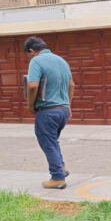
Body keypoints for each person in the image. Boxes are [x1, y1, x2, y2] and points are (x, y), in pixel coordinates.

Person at [24, 36, 75, 189]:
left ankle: (57, 177)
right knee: (52, 141)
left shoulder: (36, 61)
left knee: (47, 142)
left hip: (47, 111)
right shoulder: (62, 61)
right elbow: (72, 85)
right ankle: (62, 167)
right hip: (63, 111)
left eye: (27, 55)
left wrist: (30, 105)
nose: (28, 58)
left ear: (32, 51)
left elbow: (32, 86)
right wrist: (68, 105)